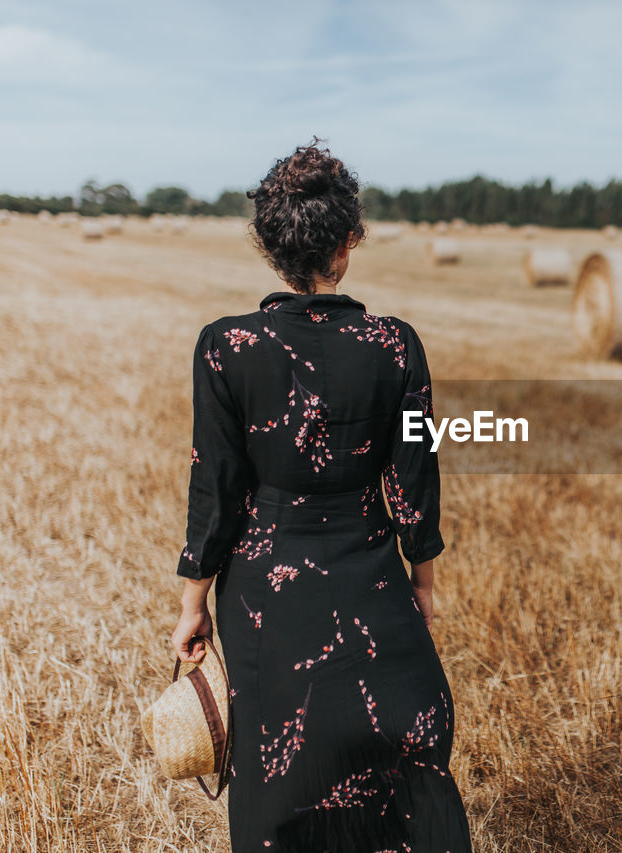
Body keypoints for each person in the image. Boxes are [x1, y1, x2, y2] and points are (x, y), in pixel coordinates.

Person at [168, 141, 473, 852]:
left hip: (262, 593)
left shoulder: (226, 346)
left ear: (270, 247)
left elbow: (215, 486)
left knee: (279, 775)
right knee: (408, 741)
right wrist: (422, 583)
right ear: (348, 241)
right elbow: (414, 479)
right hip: (371, 579)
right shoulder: (395, 344)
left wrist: (192, 603)